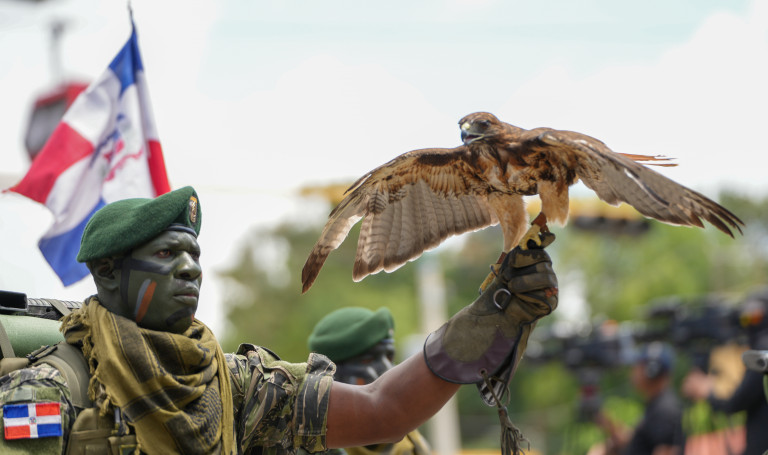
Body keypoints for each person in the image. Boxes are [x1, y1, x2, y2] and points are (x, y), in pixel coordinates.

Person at [0, 186, 559, 455]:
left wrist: (494, 310)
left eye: (194, 255)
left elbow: (382, 410)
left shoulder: (230, 384)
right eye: (167, 255)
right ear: (107, 273)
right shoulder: (51, 389)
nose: (190, 269)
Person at [305, 306, 430, 455]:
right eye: (368, 360)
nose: (388, 369)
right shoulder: (306, 445)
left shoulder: (411, 444)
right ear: (331, 377)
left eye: (389, 357)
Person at [682, 288, 768, 455]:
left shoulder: (763, 349)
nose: (744, 322)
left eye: (749, 317)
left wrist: (706, 391)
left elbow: (736, 402)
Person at [592, 342, 685, 455]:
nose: (632, 372)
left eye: (637, 366)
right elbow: (642, 441)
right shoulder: (657, 405)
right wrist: (610, 428)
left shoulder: (665, 411)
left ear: (652, 370)